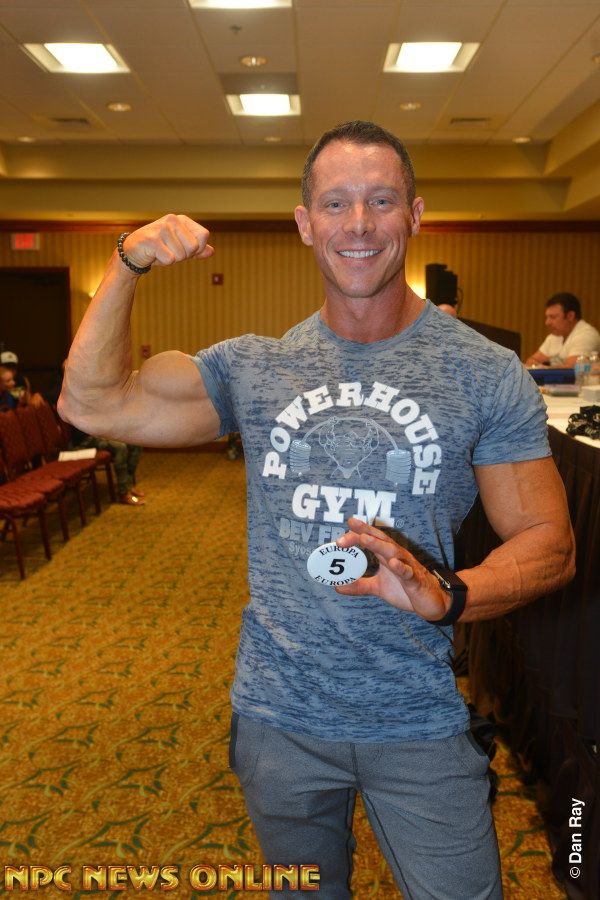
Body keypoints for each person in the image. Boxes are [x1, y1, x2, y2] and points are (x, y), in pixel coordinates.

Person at [59, 121, 575, 899]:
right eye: (335, 204)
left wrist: (450, 594)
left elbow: (548, 541)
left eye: (381, 201)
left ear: (415, 215)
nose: (358, 223)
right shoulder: (255, 368)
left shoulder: (483, 371)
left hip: (418, 716)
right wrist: (126, 263)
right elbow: (91, 403)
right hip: (279, 719)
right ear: (306, 224)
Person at [524, 292, 600, 368]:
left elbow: (571, 369)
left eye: (553, 317)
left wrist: (543, 366)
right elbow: (530, 361)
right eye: (547, 317)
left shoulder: (587, 335)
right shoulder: (554, 336)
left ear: (570, 316)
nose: (547, 323)